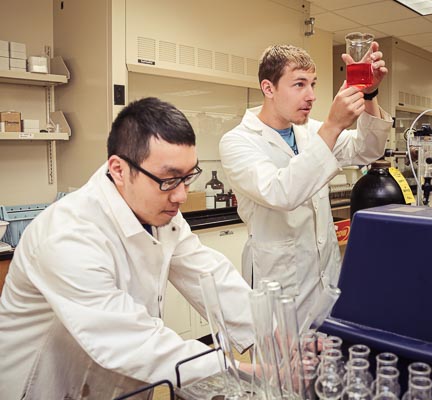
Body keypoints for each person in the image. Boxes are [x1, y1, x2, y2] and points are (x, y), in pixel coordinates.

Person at [0, 97, 254, 399]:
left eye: (188, 177)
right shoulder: (67, 234)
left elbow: (211, 277)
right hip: (45, 389)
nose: (182, 196)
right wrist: (233, 370)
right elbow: (129, 339)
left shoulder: (161, 216)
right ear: (119, 170)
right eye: (170, 180)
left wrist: (275, 334)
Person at [219, 43, 393, 323]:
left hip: (325, 282)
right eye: (299, 84)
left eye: (312, 84)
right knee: (283, 364)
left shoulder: (311, 131)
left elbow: (367, 149)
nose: (311, 96)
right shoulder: (238, 141)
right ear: (269, 88)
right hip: (278, 289)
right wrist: (333, 126)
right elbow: (281, 192)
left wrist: (368, 93)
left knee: (327, 360)